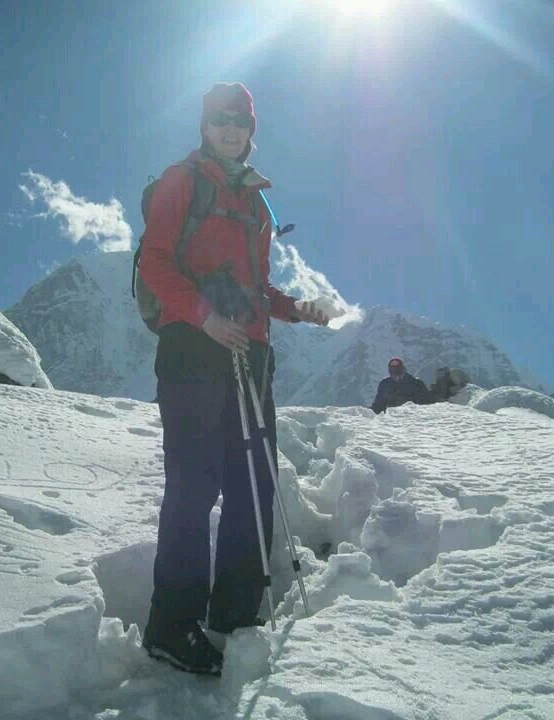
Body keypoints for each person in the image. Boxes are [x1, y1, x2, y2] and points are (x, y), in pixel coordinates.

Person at [137, 81, 328, 675]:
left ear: (251, 130)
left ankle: (237, 616)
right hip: (194, 349)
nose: (229, 129)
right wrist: (203, 316)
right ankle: (172, 627)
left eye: (239, 122)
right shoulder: (182, 181)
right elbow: (156, 262)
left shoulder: (257, 202)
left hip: (252, 352)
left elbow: (256, 288)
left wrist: (295, 308)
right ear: (204, 126)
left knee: (253, 487)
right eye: (219, 120)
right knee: (194, 489)